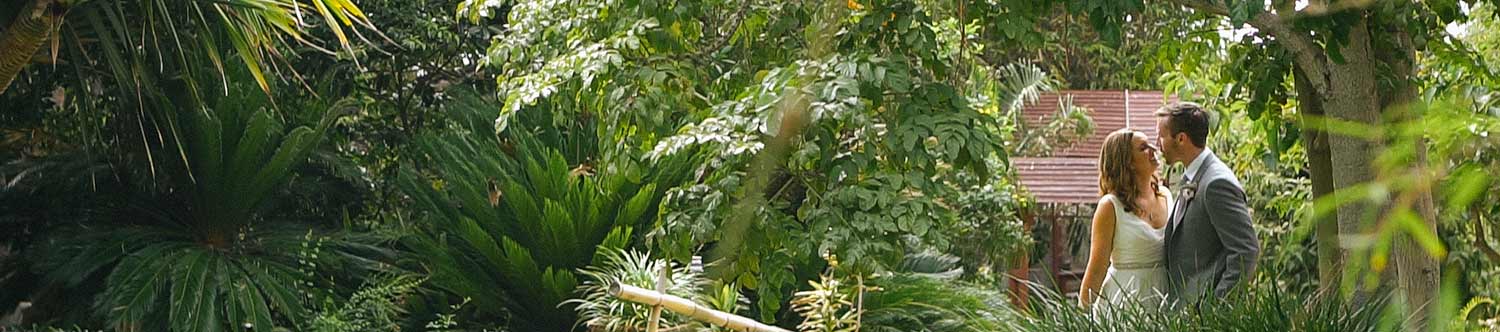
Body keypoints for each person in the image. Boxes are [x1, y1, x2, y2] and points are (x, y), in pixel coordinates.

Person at [1154, 102, 1260, 307]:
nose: (1158, 144)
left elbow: (1246, 250)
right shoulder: (1194, 176)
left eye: (1161, 136)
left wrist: (1215, 306)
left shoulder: (1216, 183)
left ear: (1181, 139)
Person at [1079, 129, 1171, 312]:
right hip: (1125, 300)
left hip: (1164, 296)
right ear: (1127, 162)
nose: (1154, 149)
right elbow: (1097, 268)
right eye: (1143, 148)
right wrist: (1080, 316)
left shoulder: (1166, 195)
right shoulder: (1110, 206)